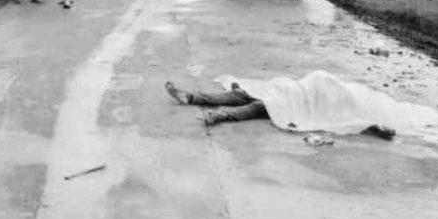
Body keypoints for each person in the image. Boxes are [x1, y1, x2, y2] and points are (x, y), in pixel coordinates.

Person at [164, 80, 395, 138]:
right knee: (242, 94)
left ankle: (219, 115)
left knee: (258, 106)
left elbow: (355, 119)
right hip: (289, 90)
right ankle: (191, 97)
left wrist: (377, 127)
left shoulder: (348, 104)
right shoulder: (337, 86)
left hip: (291, 104)